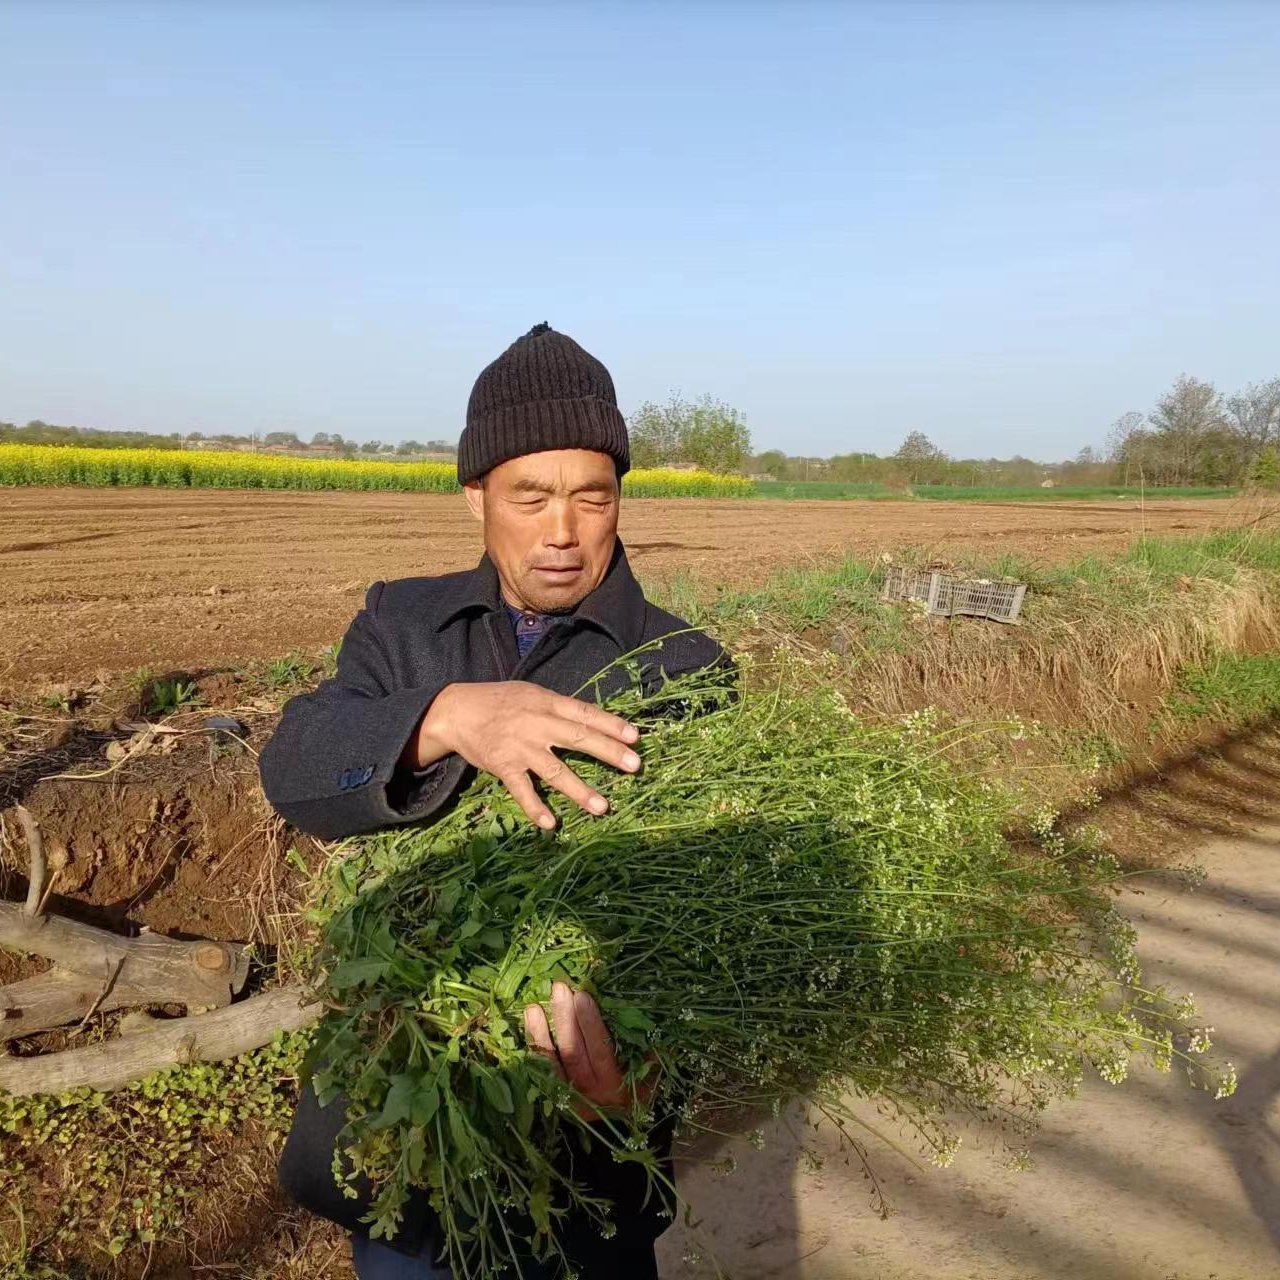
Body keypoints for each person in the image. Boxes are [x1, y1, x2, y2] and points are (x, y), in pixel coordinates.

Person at [259, 323, 728, 1277]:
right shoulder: (401, 624)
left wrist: (639, 1082)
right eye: (531, 496)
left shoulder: (684, 668)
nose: (562, 532)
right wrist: (442, 716)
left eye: (591, 497)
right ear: (476, 493)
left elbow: (711, 925)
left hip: (588, 1169)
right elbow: (295, 771)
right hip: (406, 1163)